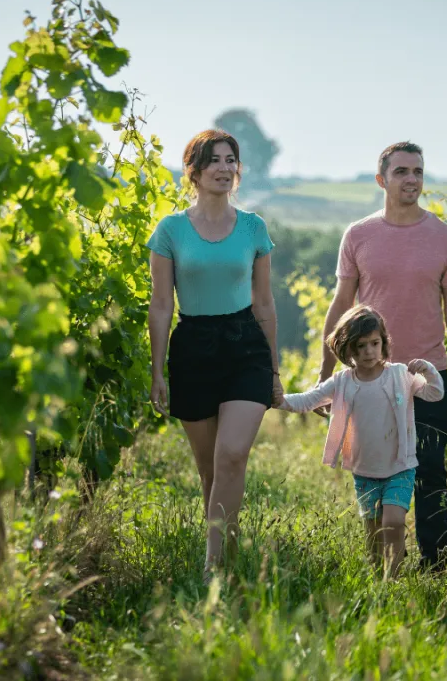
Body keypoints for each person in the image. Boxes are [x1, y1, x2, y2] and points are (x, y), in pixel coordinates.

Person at [316, 141, 447, 572]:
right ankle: (385, 565)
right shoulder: (359, 234)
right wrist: (324, 376)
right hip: (370, 378)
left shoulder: (444, 237)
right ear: (381, 178)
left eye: (418, 172)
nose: (412, 180)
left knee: (431, 471)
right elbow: (341, 306)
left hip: (426, 376)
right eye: (402, 171)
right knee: (376, 472)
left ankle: (437, 564)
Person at [146, 129, 283, 580]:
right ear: (194, 171)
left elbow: (264, 303)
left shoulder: (253, 228)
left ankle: (213, 566)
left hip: (245, 345)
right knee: (209, 471)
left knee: (231, 456)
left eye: (232, 160)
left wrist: (275, 370)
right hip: (193, 348)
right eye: (215, 160)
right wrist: (157, 370)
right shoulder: (170, 230)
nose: (225, 168)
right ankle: (229, 546)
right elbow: (162, 304)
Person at [278, 305, 444, 578]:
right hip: (365, 470)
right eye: (361, 346)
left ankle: (394, 580)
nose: (369, 351)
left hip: (400, 467)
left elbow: (435, 394)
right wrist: (279, 401)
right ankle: (377, 576)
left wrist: (427, 370)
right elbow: (309, 399)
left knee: (393, 522)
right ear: (348, 350)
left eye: (375, 344)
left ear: (384, 343)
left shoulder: (399, 375)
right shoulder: (343, 382)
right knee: (374, 531)